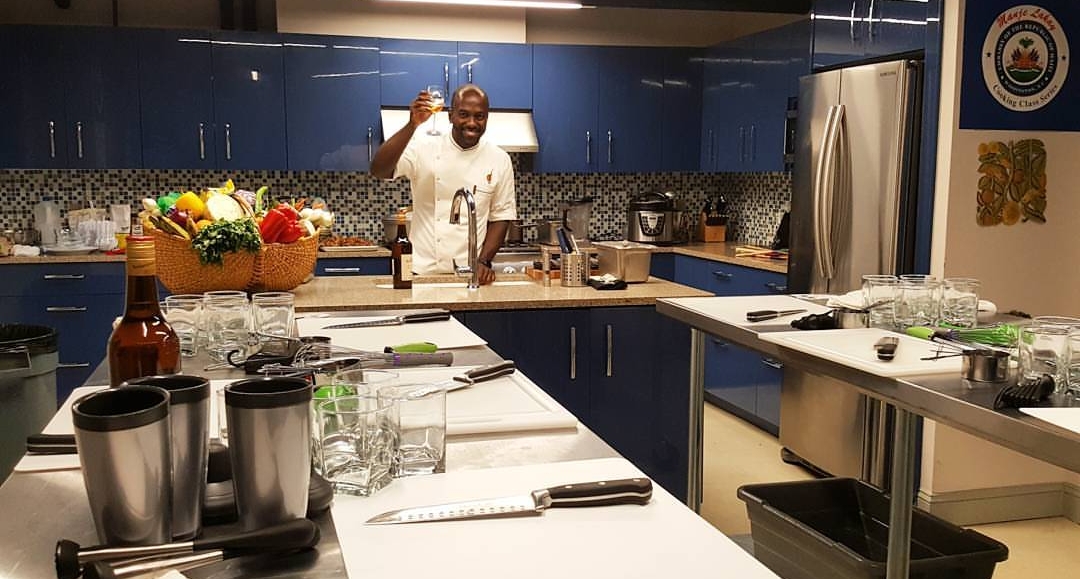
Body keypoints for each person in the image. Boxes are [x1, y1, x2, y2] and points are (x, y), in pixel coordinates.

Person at [370, 84, 516, 285]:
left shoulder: (499, 159)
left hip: (469, 274)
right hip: (421, 272)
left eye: (479, 116)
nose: (472, 123)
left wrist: (483, 261)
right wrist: (412, 125)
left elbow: (501, 216)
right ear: (450, 116)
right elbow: (378, 170)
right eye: (463, 114)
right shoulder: (423, 147)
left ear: (487, 118)